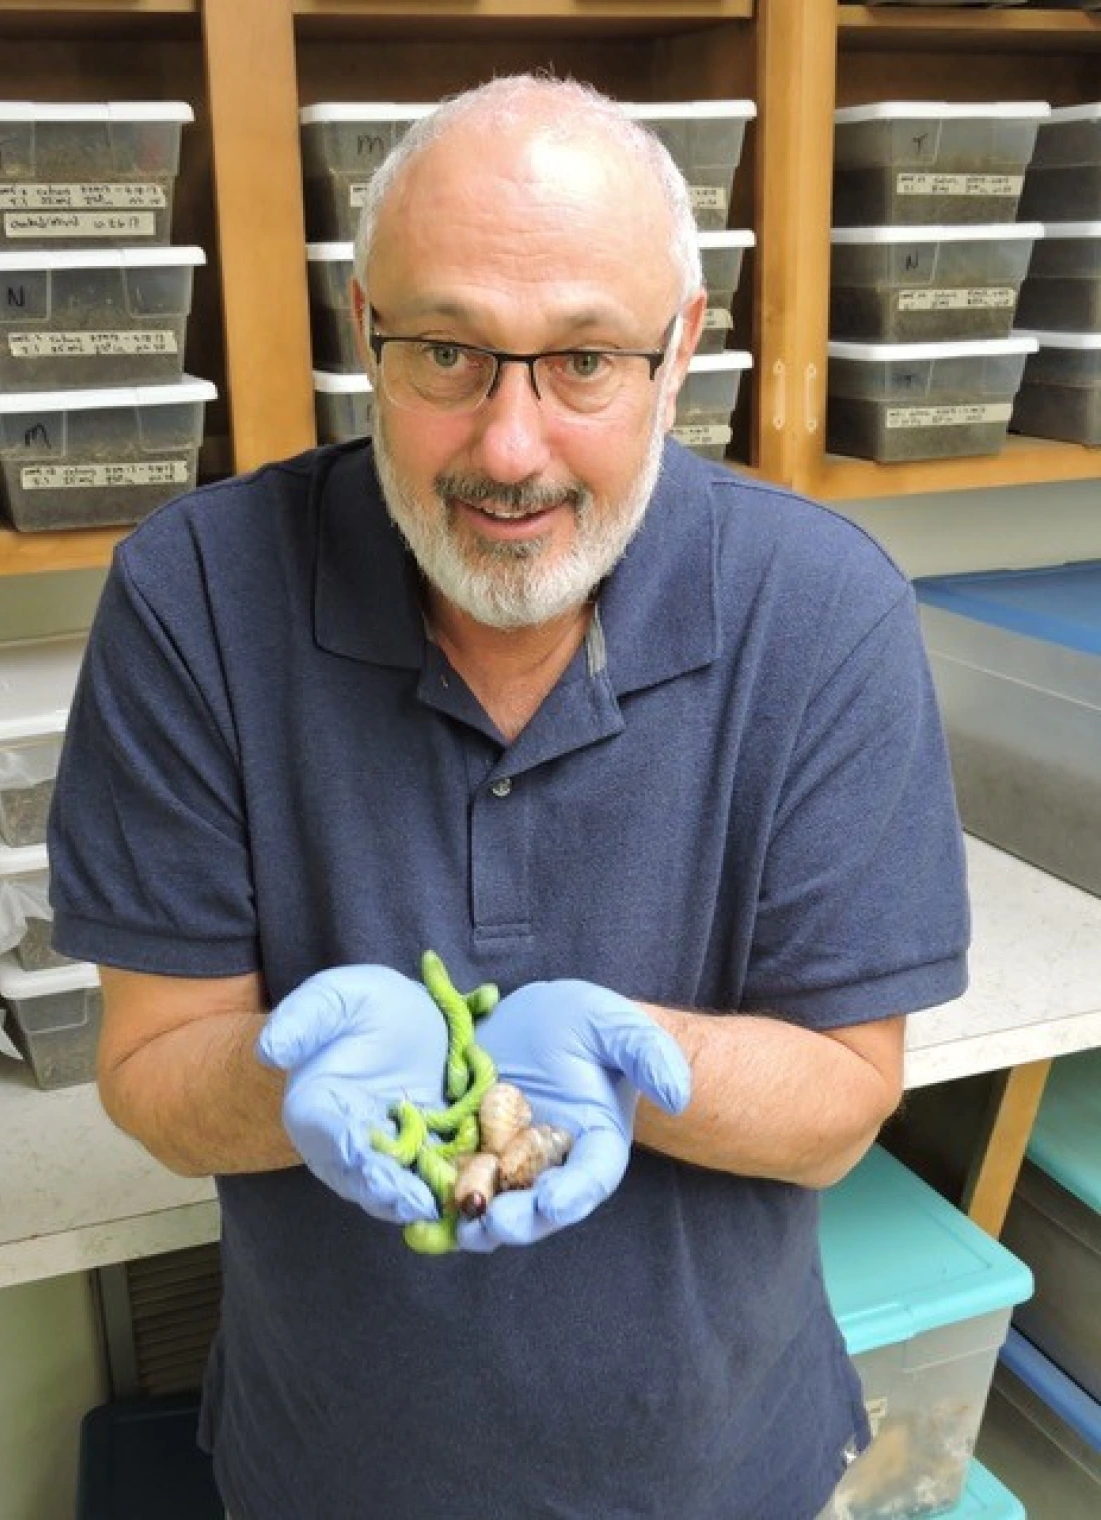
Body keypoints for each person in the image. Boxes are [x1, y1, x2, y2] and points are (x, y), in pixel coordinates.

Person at [48, 73, 970, 1520]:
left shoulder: (822, 611)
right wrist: (300, 1082)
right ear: (364, 333)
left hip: (724, 1468)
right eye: (446, 353)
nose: (510, 447)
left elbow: (845, 1097)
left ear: (680, 356)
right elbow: (155, 1067)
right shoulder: (197, 599)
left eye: (587, 361)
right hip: (328, 1471)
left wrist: (629, 1053)